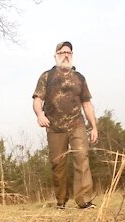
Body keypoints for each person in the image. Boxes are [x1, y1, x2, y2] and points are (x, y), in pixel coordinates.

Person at [32, 41, 98, 209]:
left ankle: (84, 200)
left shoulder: (79, 78)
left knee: (82, 158)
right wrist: (40, 115)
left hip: (77, 124)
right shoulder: (47, 76)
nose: (66, 55)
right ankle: (61, 201)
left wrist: (94, 127)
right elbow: (38, 99)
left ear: (72, 55)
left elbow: (87, 104)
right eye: (62, 52)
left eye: (69, 52)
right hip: (54, 127)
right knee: (58, 164)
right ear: (55, 56)